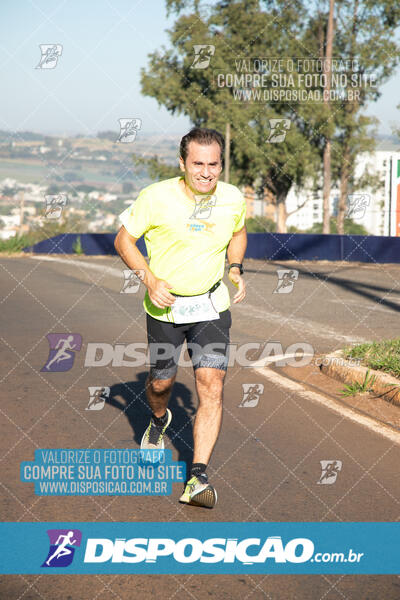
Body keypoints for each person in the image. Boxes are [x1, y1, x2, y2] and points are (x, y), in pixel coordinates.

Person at [114, 127, 247, 508]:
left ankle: (197, 477)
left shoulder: (232, 197)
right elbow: (124, 240)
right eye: (198, 164)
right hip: (165, 307)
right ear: (183, 164)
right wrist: (149, 279)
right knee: (160, 385)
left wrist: (235, 266)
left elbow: (238, 232)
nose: (206, 172)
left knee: (211, 385)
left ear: (221, 164)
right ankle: (158, 421)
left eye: (214, 164)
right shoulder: (156, 197)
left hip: (211, 306)